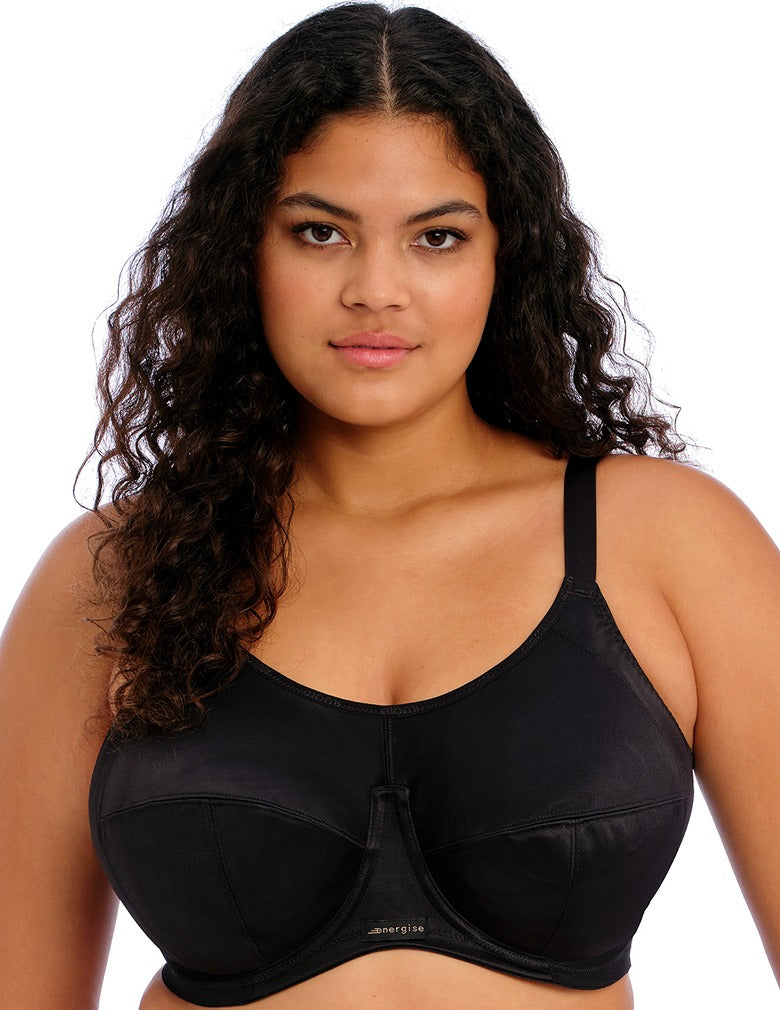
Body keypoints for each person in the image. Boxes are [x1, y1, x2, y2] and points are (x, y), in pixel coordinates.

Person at [1, 4, 778, 1009]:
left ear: (505, 257)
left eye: (437, 237)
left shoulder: (668, 541)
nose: (376, 289)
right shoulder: (114, 574)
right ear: (243, 250)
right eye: (319, 232)